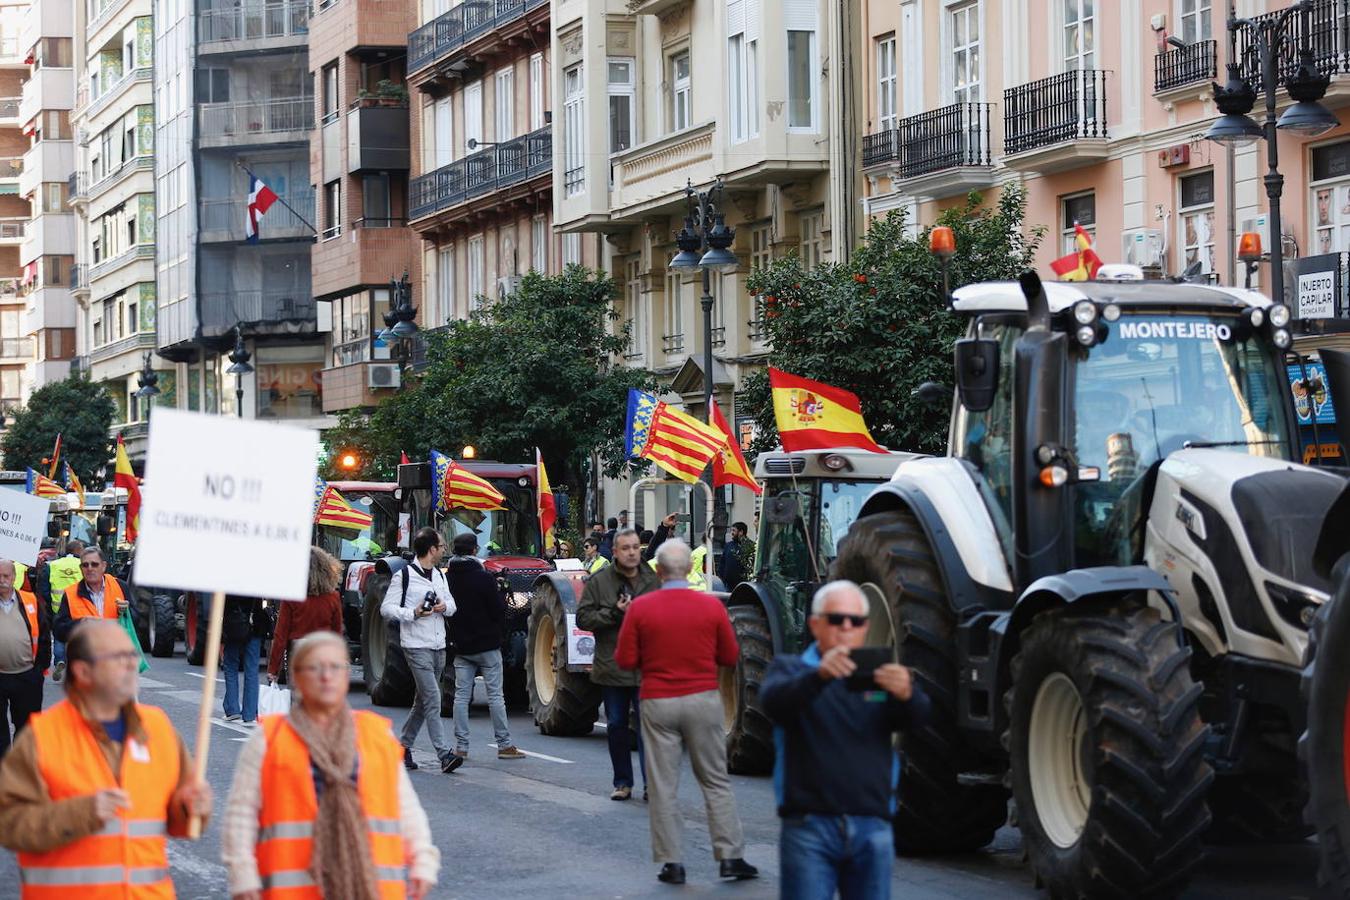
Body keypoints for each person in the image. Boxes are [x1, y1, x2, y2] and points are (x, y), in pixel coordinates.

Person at [222, 631, 440, 900]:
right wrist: (242, 874)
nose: (327, 676)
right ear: (298, 678)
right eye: (315, 668)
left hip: (371, 888)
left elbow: (406, 808)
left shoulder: (376, 735)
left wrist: (423, 860)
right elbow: (241, 813)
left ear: (347, 675)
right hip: (295, 891)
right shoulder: (269, 739)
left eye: (336, 667)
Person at [0, 619, 211, 894]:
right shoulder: (41, 738)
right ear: (83, 671)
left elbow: (183, 820)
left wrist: (192, 808)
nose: (131, 664)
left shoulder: (158, 728)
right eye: (118, 657)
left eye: (132, 654)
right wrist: (81, 813)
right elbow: (10, 825)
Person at [759, 581, 931, 899]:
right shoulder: (792, 669)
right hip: (810, 824)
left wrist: (907, 694)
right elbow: (774, 702)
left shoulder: (879, 678)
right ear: (816, 624)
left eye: (857, 621)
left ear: (865, 628)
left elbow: (918, 718)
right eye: (837, 620)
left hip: (871, 824)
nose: (847, 628)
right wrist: (819, 676)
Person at [616, 539, 757, 885]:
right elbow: (729, 656)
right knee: (715, 780)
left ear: (658, 571)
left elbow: (625, 660)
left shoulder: (640, 609)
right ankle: (730, 856)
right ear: (691, 569)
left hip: (658, 700)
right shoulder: (710, 608)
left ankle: (672, 862)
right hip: (702, 699)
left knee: (663, 785)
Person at [576, 527, 660, 802]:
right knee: (616, 725)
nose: (633, 552)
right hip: (613, 666)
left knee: (650, 728)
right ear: (614, 552)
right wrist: (614, 613)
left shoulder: (653, 579)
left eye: (636, 547)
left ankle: (652, 785)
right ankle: (623, 782)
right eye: (626, 548)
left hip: (647, 666)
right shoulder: (600, 582)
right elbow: (583, 619)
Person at [381, 527, 458, 773]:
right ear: (432, 549)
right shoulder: (403, 575)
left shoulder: (440, 575)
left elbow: (453, 606)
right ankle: (444, 753)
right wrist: (412, 613)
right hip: (416, 645)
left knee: (423, 701)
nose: (444, 549)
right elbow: (387, 608)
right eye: (442, 546)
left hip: (439, 645)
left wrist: (444, 606)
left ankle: (402, 745)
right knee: (433, 698)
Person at [444, 532, 525, 762]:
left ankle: (461, 747)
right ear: (474, 550)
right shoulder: (484, 578)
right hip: (488, 645)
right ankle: (504, 745)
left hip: (461, 646)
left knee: (461, 697)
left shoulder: (448, 579)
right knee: (496, 696)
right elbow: (500, 610)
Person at [268, 547, 345, 684]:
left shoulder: (292, 597)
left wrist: (273, 669)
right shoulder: (333, 597)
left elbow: (281, 635)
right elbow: (336, 633)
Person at [52, 548, 130, 673]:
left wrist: (126, 613)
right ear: (81, 568)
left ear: (103, 566)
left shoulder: (120, 587)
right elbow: (59, 630)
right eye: (85, 565)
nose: (90, 568)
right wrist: (81, 623)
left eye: (94, 564)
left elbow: (136, 623)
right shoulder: (70, 593)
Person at [0, 560, 49, 757]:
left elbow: (45, 637)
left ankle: (23, 770)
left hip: (26, 676)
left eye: (5, 576)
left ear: (13, 578)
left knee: (26, 728)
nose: (1, 580)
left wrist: (39, 672)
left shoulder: (30, 601)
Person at [41, 540, 84, 683]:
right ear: (78, 550)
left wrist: (51, 602)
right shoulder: (84, 565)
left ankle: (59, 660)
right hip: (78, 607)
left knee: (59, 635)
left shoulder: (52, 565)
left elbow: (45, 589)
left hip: (57, 607)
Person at [221, 596, 265, 725]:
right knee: (251, 670)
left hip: (233, 626)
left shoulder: (230, 582)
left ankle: (232, 708)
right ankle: (250, 713)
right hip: (254, 626)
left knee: (230, 666)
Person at [719, 522, 750, 589]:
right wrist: (722, 578)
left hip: (743, 586)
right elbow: (722, 563)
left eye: (734, 530)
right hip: (727, 585)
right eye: (731, 530)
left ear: (741, 532)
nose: (731, 533)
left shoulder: (749, 546)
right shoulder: (728, 545)